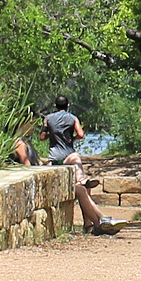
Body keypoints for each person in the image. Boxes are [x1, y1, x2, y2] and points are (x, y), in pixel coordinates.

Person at [40, 96, 121, 236]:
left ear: (55, 105)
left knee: (83, 188)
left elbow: (42, 137)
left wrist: (52, 136)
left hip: (55, 159)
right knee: (76, 158)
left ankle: (89, 225)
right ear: (68, 105)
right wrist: (71, 139)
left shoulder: (48, 118)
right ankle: (84, 183)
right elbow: (81, 134)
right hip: (68, 156)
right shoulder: (73, 118)